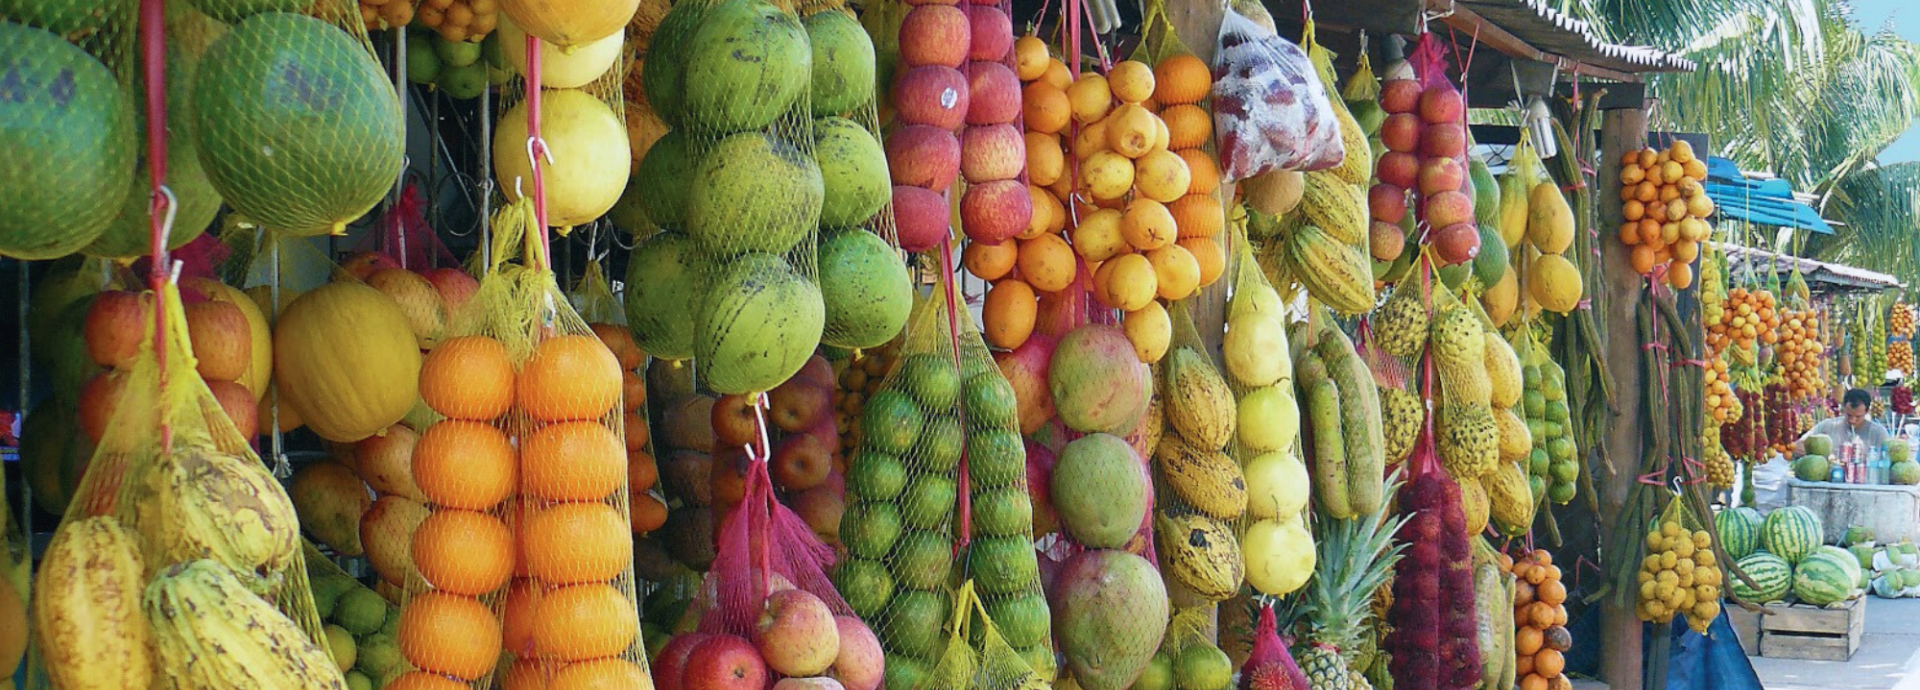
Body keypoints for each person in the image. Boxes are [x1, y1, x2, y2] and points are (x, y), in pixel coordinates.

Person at [1793, 388, 1892, 455]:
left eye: (1858, 417)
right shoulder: (1828, 426)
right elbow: (1798, 445)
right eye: (1848, 415)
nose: (1852, 420)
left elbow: (1889, 457)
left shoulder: (1878, 433)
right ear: (1843, 408)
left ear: (1867, 412)